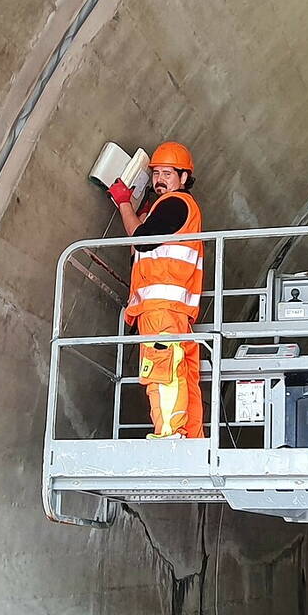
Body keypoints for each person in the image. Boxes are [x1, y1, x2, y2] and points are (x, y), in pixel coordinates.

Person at [108, 142, 204, 439]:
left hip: (161, 311)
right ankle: (190, 437)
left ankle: (169, 436)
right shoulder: (174, 210)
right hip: (177, 314)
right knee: (185, 376)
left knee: (163, 372)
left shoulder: (176, 204)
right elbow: (147, 235)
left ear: (184, 178)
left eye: (167, 173)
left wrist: (124, 202)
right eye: (156, 173)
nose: (159, 179)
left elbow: (141, 240)